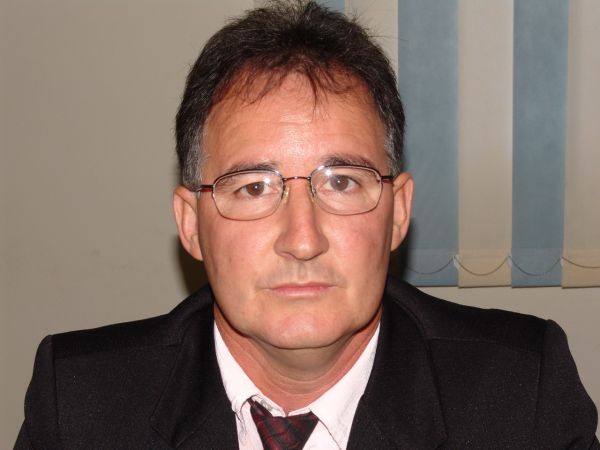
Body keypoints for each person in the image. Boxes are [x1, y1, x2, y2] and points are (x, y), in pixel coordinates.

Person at [14, 1, 598, 449]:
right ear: (191, 225)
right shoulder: (80, 405)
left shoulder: (524, 396)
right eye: (253, 187)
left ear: (398, 212)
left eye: (341, 182)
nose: (302, 239)